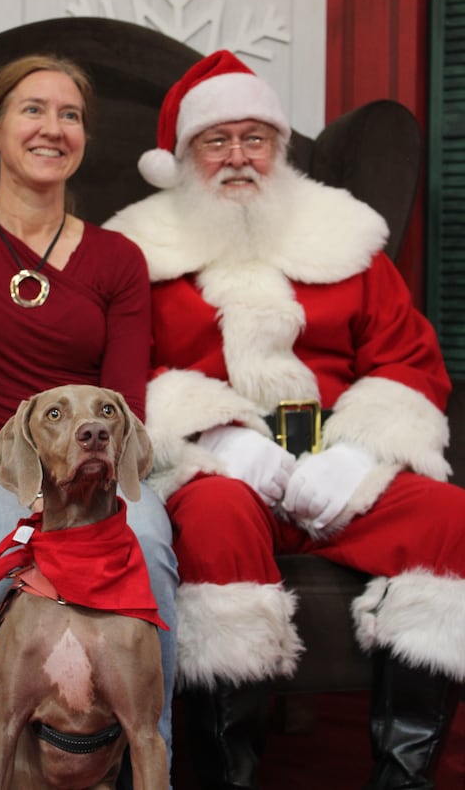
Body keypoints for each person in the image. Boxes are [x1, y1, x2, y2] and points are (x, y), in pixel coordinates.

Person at [104, 49, 465, 790]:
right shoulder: (135, 250)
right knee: (217, 519)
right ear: (184, 156)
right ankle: (223, 774)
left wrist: (359, 454)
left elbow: (409, 360)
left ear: (280, 147)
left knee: (447, 518)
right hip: (215, 467)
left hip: (339, 452)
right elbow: (120, 378)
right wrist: (220, 441)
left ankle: (403, 778)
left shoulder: (348, 238)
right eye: (217, 140)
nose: (239, 157)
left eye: (256, 137)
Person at [0, 54, 178, 789]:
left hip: (93, 481)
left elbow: (120, 404)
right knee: (5, 549)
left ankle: (150, 767)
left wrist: (91, 486)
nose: (52, 127)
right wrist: (29, 491)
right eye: (33, 110)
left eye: (70, 115)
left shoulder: (118, 259)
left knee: (150, 538)